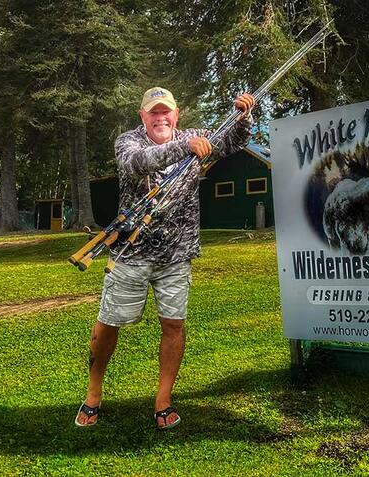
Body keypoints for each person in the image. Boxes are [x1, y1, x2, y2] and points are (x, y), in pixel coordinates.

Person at [75, 86, 254, 429]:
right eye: (153, 112)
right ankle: (93, 393)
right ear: (142, 116)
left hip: (177, 254)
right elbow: (136, 165)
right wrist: (183, 147)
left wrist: (244, 115)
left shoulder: (196, 136)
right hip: (131, 253)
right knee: (109, 323)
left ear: (176, 114)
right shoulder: (129, 142)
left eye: (165, 112)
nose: (160, 118)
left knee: (174, 325)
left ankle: (163, 400)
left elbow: (232, 141)